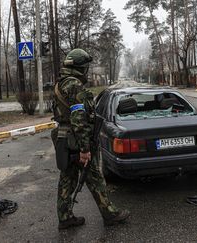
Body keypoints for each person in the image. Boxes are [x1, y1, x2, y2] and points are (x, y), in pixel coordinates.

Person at [51, 48, 130, 230]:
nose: (86, 70)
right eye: (85, 67)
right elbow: (78, 118)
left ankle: (64, 217)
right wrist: (85, 149)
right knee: (94, 178)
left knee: (67, 179)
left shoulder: (60, 83)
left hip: (65, 138)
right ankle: (110, 214)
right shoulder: (74, 85)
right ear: (81, 68)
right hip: (77, 141)